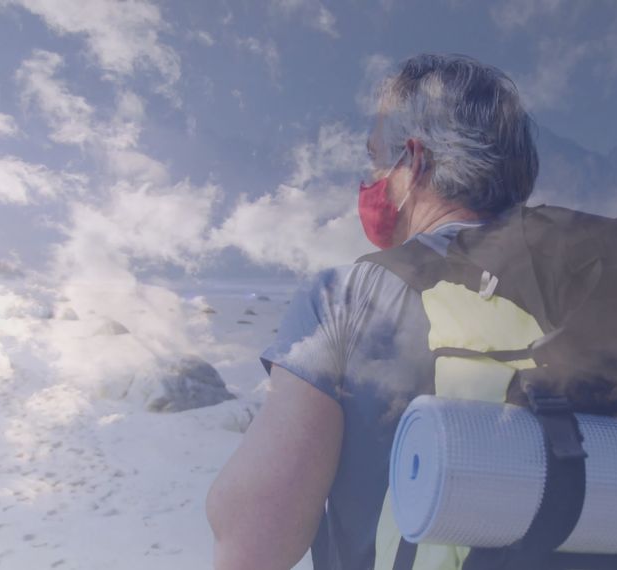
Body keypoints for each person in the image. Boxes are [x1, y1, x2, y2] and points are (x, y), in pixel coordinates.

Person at [206, 53, 541, 570]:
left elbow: (253, 542)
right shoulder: (614, 286)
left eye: (375, 159)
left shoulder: (346, 297)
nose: (370, 179)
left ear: (414, 162)